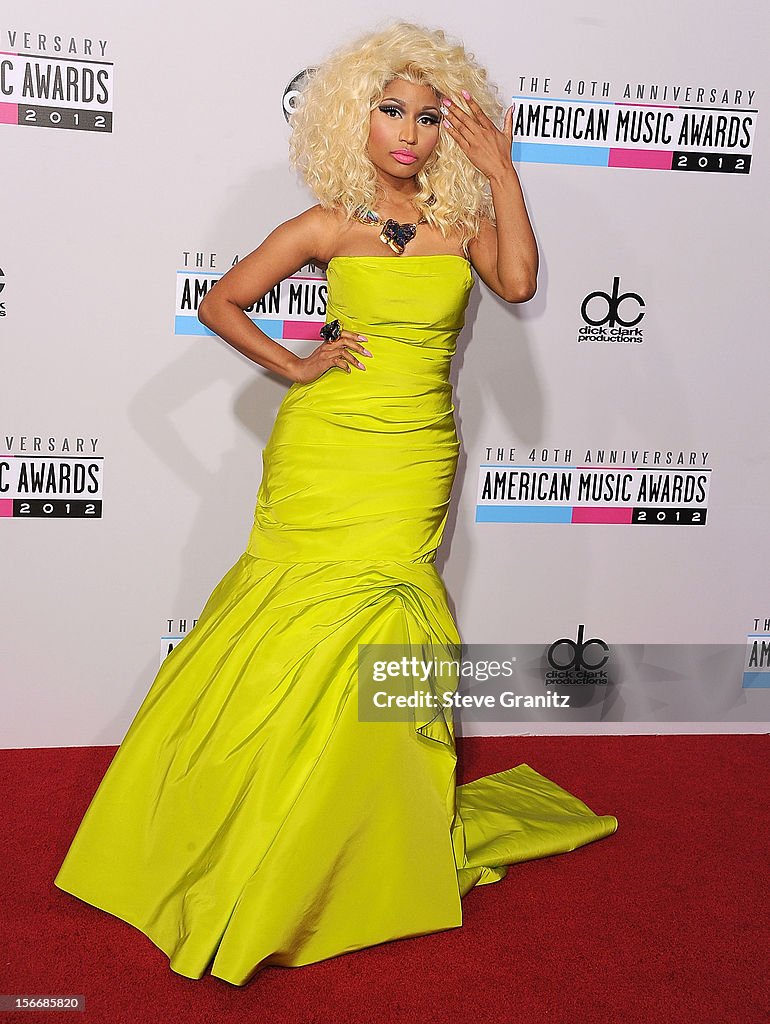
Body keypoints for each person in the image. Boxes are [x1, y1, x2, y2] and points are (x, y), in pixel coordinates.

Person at [54, 22, 617, 987]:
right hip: (323, 453)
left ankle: (351, 839)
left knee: (383, 623)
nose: (407, 133)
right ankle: (238, 817)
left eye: (428, 117)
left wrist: (504, 169)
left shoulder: (463, 216)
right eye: (389, 111)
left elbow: (519, 282)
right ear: (352, 117)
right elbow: (223, 301)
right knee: (284, 623)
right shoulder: (325, 223)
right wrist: (296, 364)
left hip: (410, 459)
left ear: (451, 129)